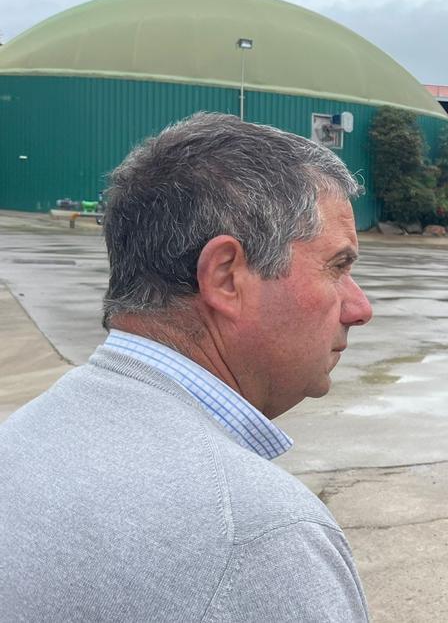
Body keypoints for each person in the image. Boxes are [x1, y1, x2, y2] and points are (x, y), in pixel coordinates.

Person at [0, 113, 374, 620]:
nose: (360, 308)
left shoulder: (23, 438)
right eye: (337, 267)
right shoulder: (257, 538)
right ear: (225, 277)